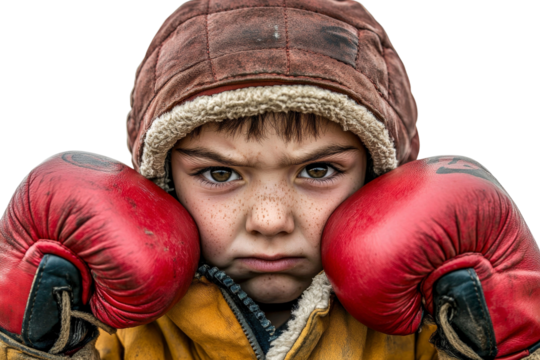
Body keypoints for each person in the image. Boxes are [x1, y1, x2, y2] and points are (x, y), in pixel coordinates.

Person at [1, 0, 539, 359]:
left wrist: (509, 336)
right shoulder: (104, 328)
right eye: (218, 173)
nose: (270, 220)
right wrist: (34, 337)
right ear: (161, 184)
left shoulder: (432, 327)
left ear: (381, 179)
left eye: (318, 170)